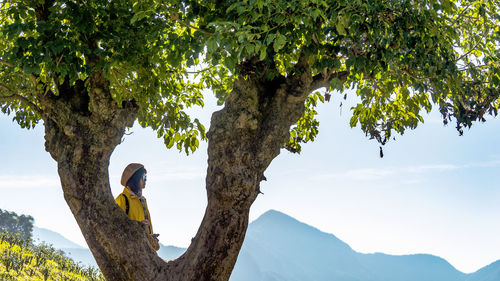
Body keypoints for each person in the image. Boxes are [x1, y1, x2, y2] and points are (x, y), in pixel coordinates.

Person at [115, 163, 160, 251]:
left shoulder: (143, 200)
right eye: (143, 177)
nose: (146, 180)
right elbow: (117, 227)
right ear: (135, 179)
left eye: (146, 177)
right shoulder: (122, 199)